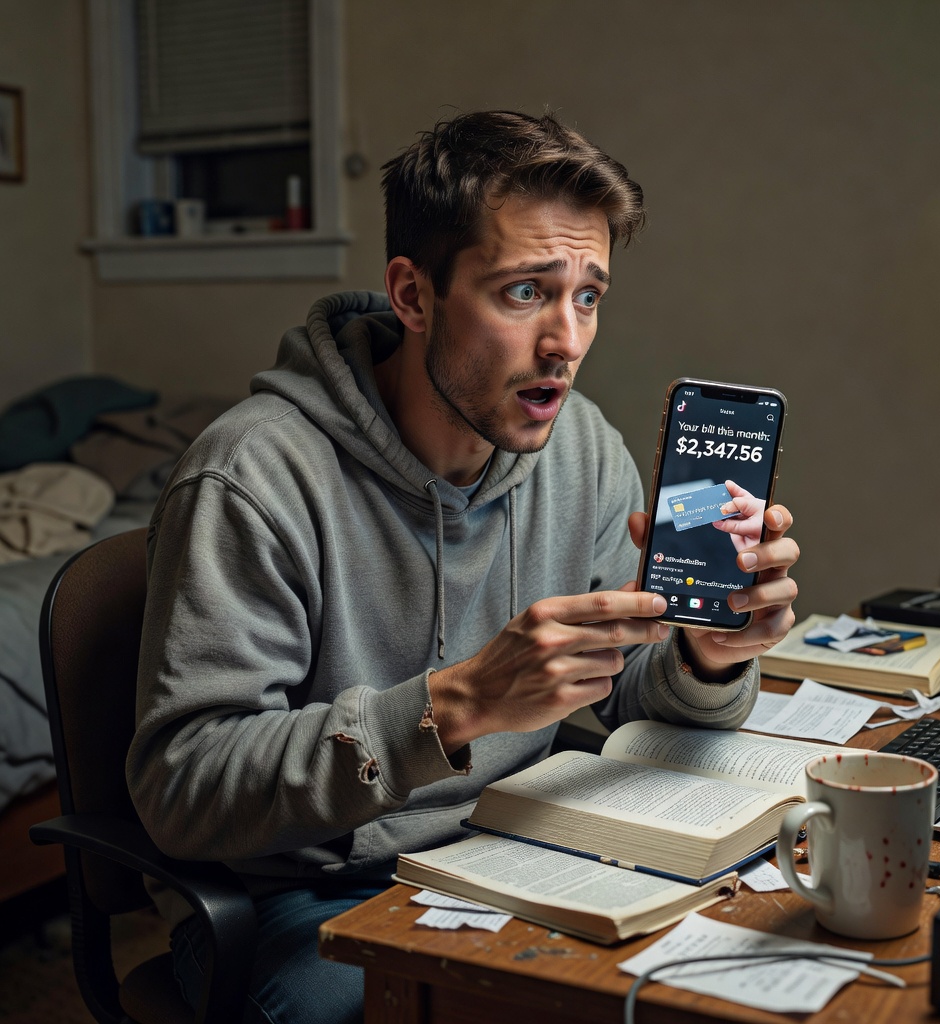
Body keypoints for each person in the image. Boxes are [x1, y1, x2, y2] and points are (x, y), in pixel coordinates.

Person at [127, 109, 799, 1024]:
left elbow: (621, 703)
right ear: (413, 294)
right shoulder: (250, 478)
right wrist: (456, 706)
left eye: (588, 295)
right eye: (526, 292)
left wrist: (707, 656)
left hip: (521, 850)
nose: (566, 341)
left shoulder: (584, 451)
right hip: (308, 898)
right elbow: (184, 788)